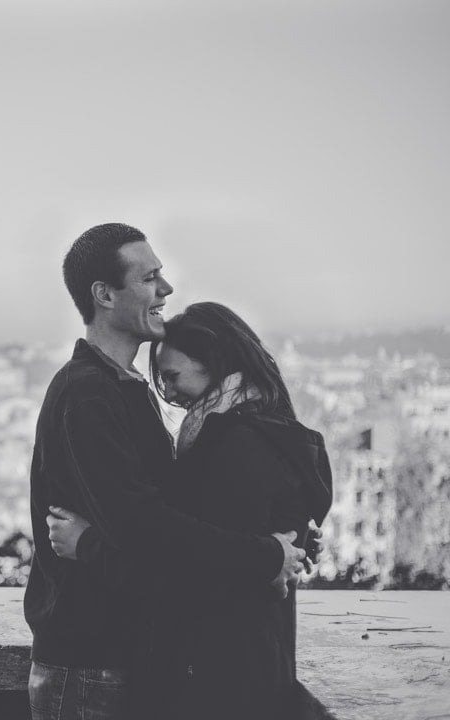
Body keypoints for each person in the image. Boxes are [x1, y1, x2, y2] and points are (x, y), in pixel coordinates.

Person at [24, 223, 309, 720]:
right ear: (104, 295)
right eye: (149, 277)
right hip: (91, 665)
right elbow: (145, 526)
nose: (166, 289)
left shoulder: (125, 389)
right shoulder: (87, 394)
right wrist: (266, 556)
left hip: (126, 658)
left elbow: (174, 512)